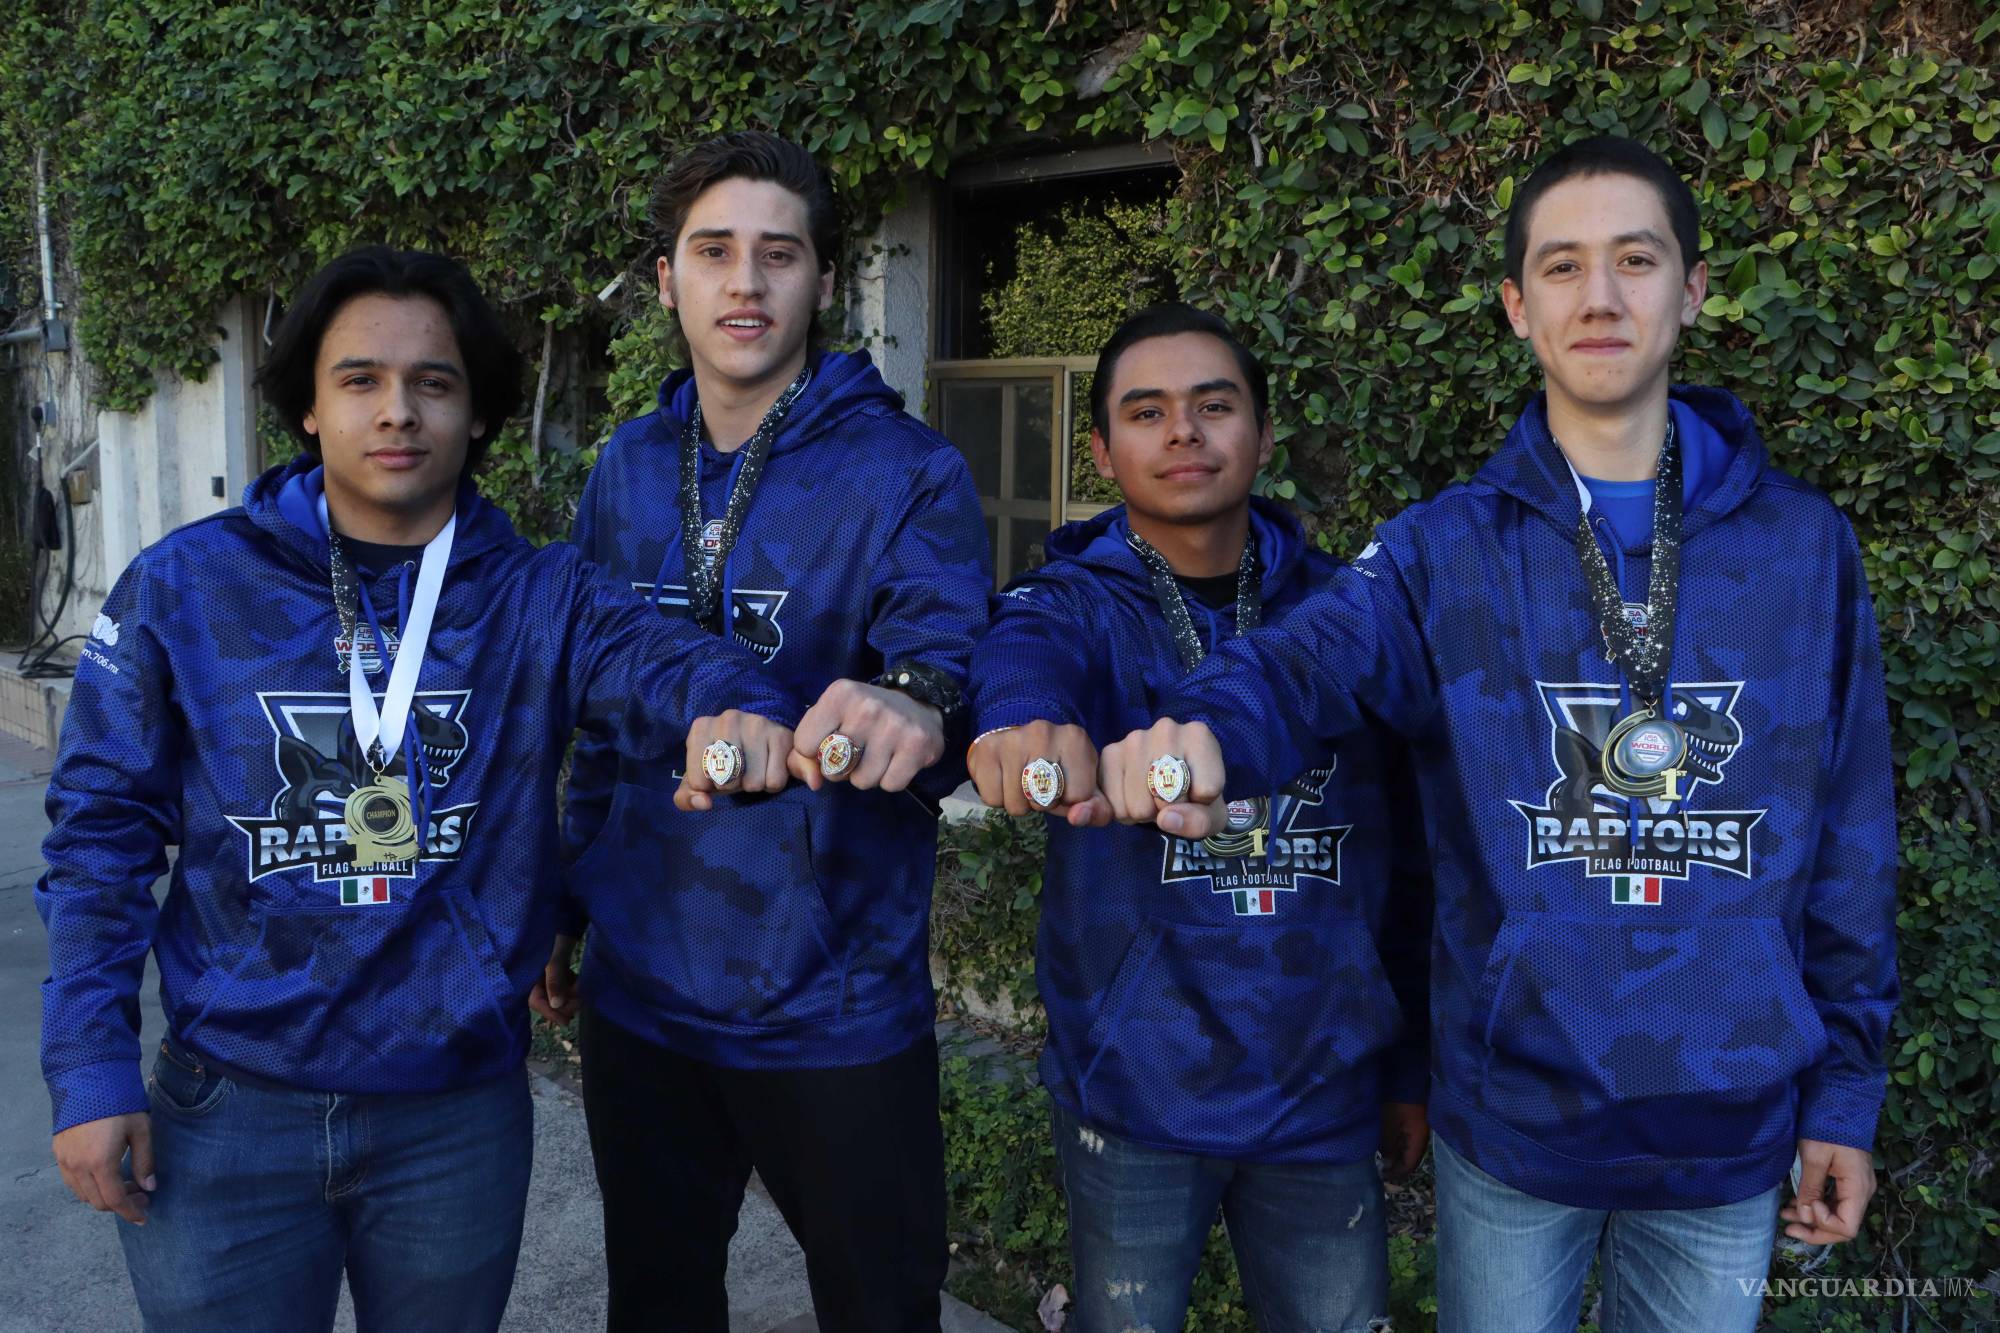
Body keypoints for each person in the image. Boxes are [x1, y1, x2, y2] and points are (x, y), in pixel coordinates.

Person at [1094, 137, 1898, 1332]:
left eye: (1636, 259)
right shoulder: (1442, 550)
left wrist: (1842, 1093)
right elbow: (1304, 658)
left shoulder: (1800, 548)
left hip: (1726, 1129)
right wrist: (1202, 729)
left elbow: (1848, 834)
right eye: (1563, 267)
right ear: (1519, 307)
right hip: (1516, 1119)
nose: (1602, 296)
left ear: (1690, 289)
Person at [39, 246, 801, 1333]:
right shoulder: (187, 586)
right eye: (360, 379)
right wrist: (91, 1064)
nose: (397, 410)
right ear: (307, 406)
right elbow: (98, 840)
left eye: (433, 384)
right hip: (229, 1104)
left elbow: (676, 665)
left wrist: (738, 710)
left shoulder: (540, 596)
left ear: (478, 413)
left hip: (454, 1115)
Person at [537, 131, 990, 1333]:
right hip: (643, 991)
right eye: (714, 252)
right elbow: (594, 705)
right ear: (665, 280)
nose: (745, 283)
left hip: (830, 995)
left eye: (778, 255)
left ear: (824, 282)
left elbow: (942, 671)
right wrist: (568, 900)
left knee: (880, 1307)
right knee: (660, 1301)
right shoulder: (625, 469)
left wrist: (917, 704)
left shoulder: (910, 472)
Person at [965, 303, 1430, 1332]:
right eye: (1147, 411)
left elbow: (1407, 861)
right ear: (1100, 449)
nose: (1182, 431)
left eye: (1212, 405)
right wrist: (1022, 725)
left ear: (1261, 434)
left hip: (1320, 1090)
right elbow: (1020, 660)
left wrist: (1405, 1063)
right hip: (1133, 1091)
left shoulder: (1348, 618)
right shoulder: (1068, 604)